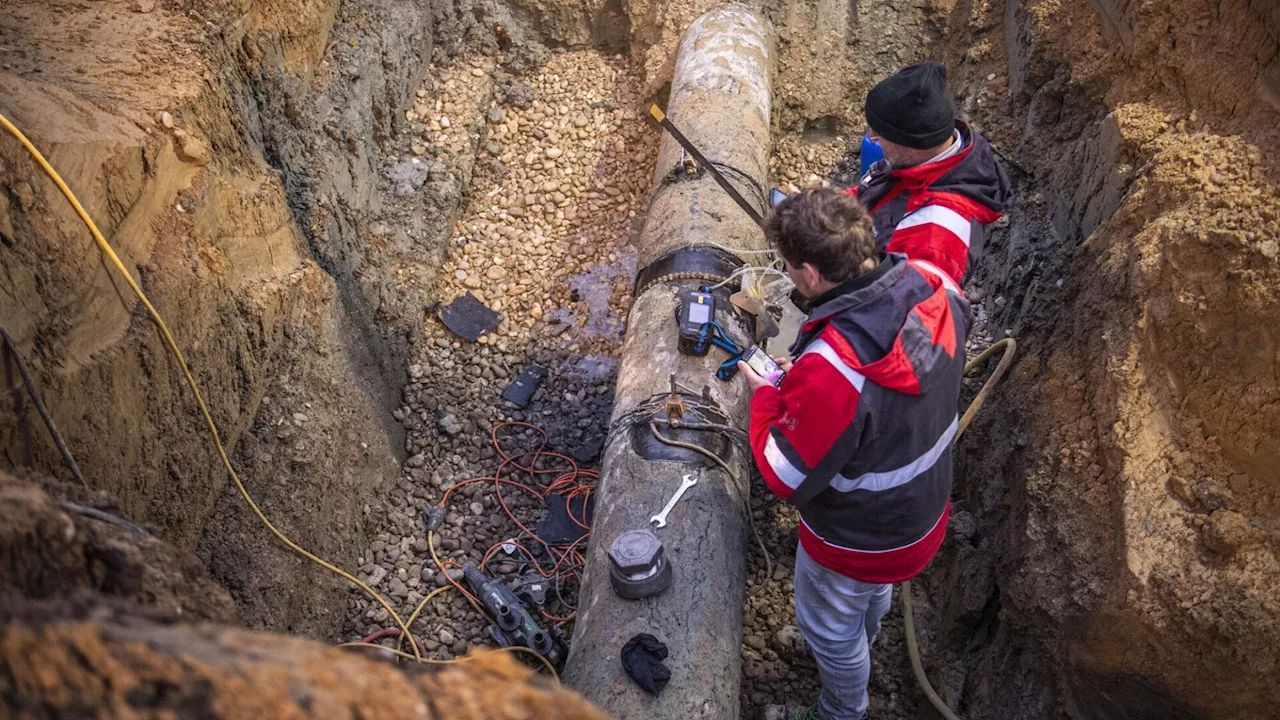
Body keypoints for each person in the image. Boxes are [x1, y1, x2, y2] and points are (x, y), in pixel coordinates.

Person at [737, 188, 970, 720]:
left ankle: (841, 710)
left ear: (812, 276)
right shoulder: (937, 288)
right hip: (922, 515)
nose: (790, 277)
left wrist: (768, 399)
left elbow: (783, 473)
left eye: (790, 269)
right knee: (868, 598)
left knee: (830, 631)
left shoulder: (834, 367)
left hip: (855, 539)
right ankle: (858, 636)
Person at [853, 61, 1013, 287]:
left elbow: (889, 313)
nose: (872, 136)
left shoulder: (935, 238)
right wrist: (823, 207)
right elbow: (874, 190)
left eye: (879, 133)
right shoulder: (919, 162)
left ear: (909, 144)